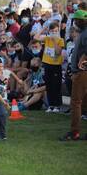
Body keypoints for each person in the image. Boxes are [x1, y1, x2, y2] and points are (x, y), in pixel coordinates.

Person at [60, 9, 87, 141]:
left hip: (83, 74)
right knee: (83, 103)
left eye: (76, 20)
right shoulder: (83, 33)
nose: (75, 22)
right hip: (81, 73)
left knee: (75, 102)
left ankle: (74, 132)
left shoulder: (86, 33)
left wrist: (79, 70)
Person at [35, 22, 64, 113]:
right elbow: (35, 37)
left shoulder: (60, 40)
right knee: (49, 85)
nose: (54, 33)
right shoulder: (47, 38)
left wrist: (55, 40)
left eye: (56, 31)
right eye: (52, 31)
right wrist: (44, 30)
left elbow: (58, 52)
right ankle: (51, 105)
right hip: (47, 64)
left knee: (56, 86)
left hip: (56, 66)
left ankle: (57, 105)